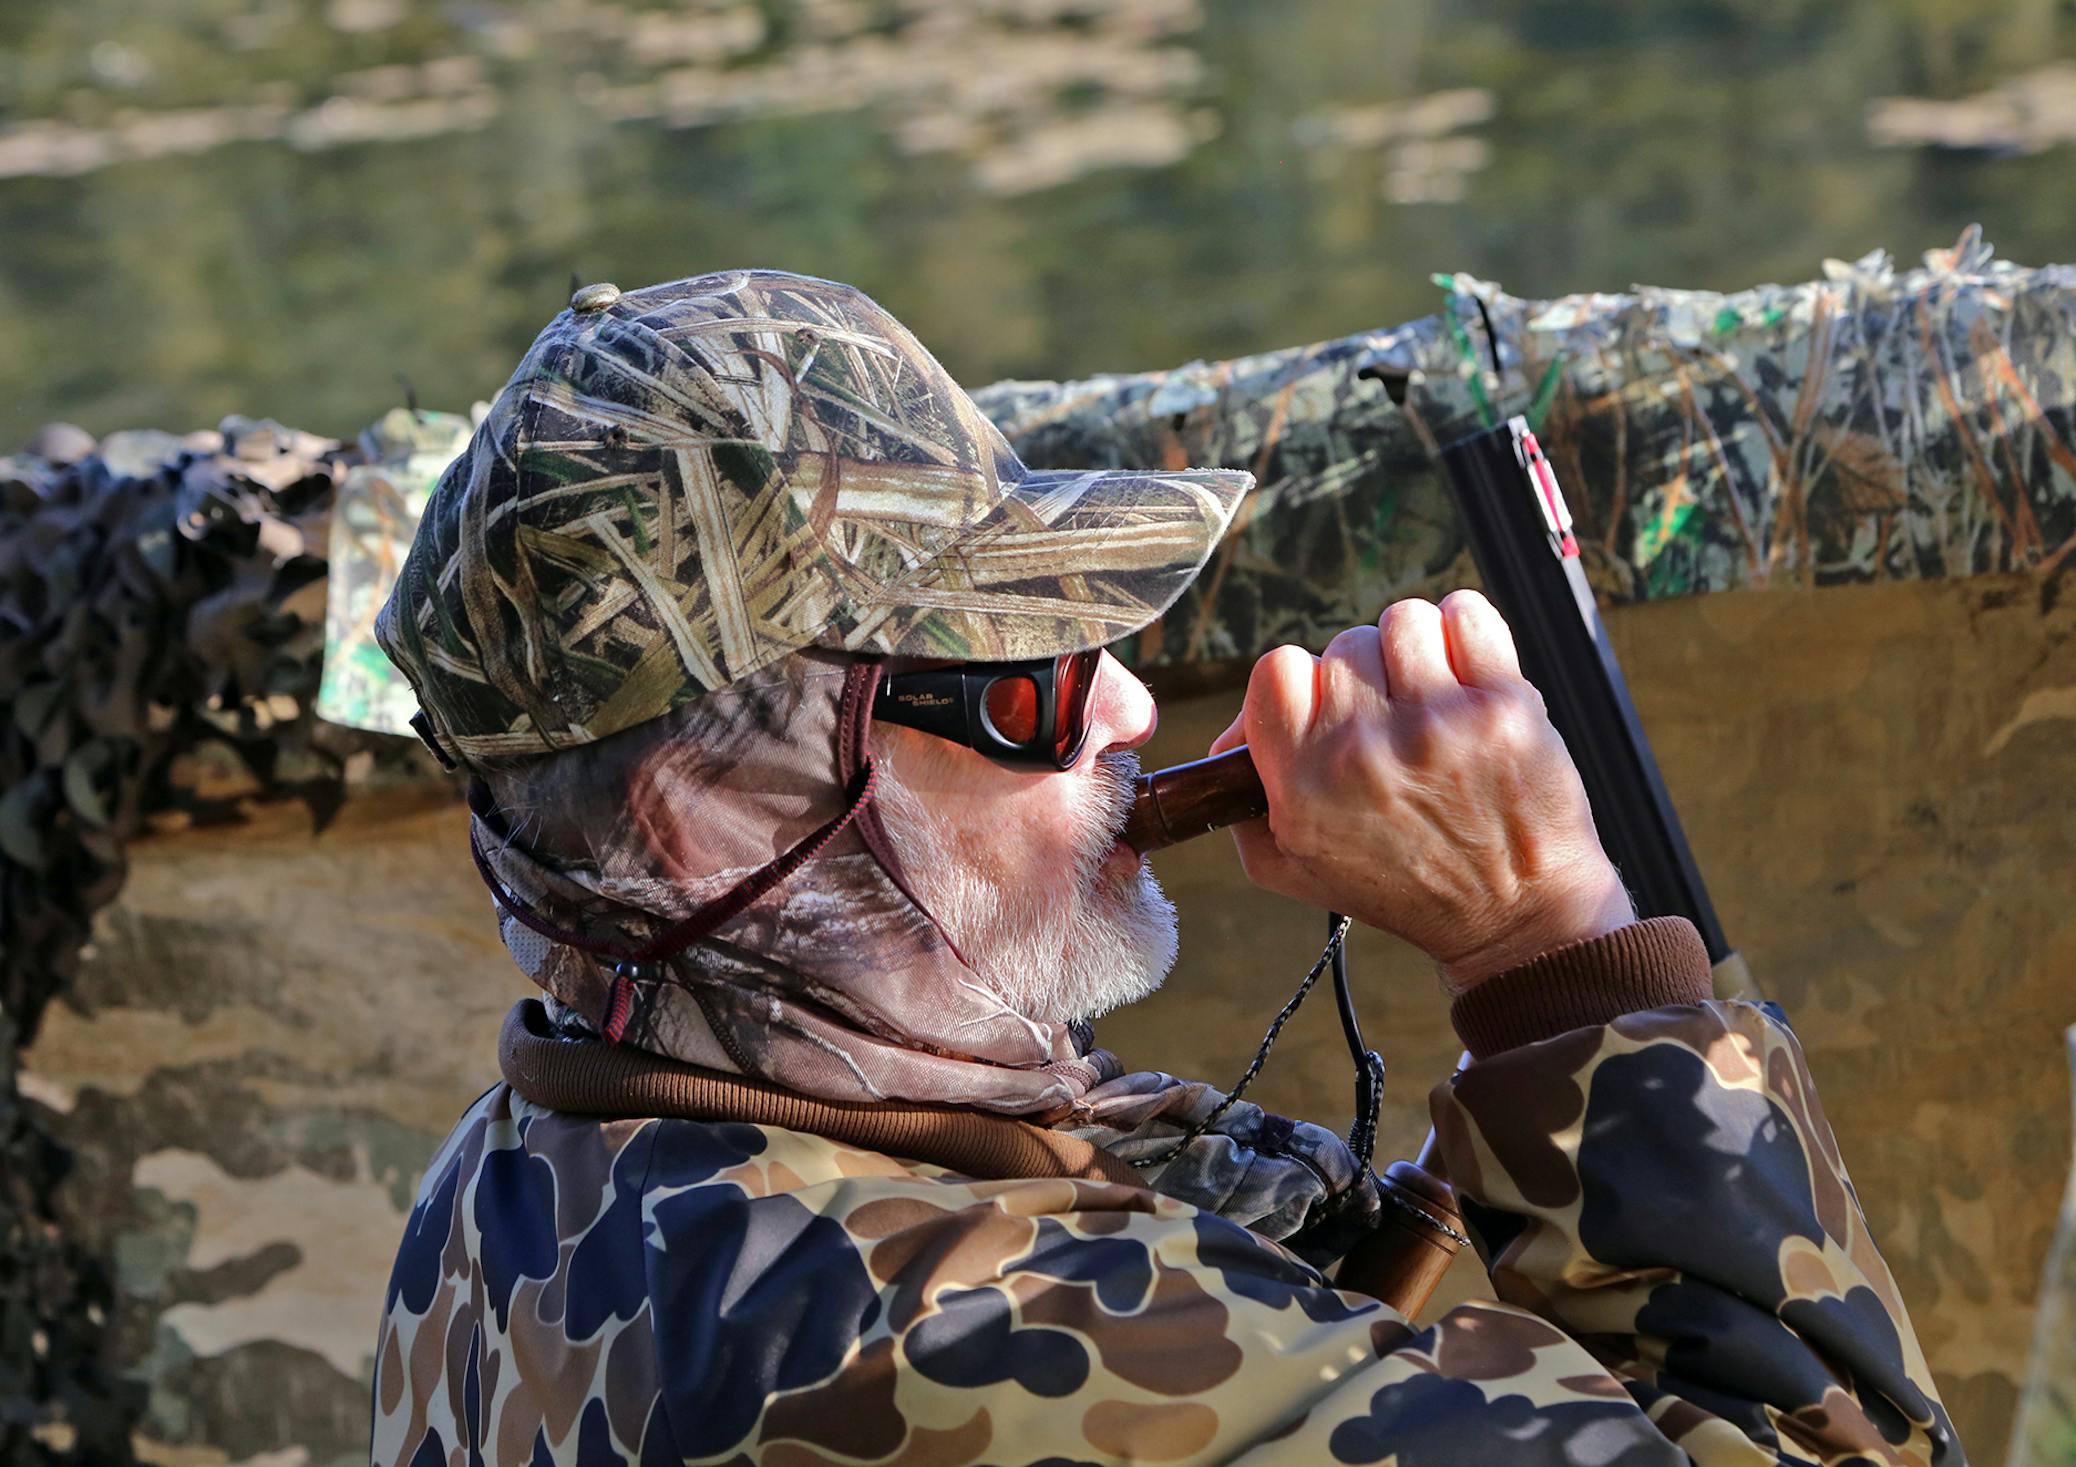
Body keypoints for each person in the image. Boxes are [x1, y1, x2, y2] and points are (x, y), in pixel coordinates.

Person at [369, 270, 1961, 1467]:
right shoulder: (972, 1342)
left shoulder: (509, 1180)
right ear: (704, 818)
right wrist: (1554, 952)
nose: (1128, 706)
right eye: (1017, 681)